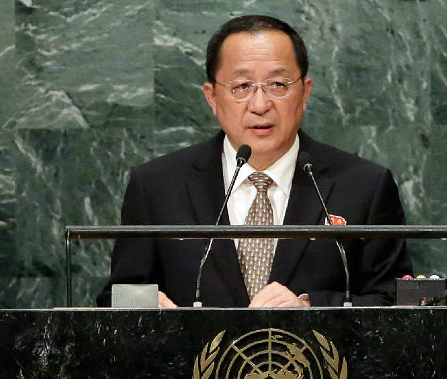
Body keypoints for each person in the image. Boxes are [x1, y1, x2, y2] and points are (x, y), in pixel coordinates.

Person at [97, 15, 412, 308]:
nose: (260, 105)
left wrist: (310, 306)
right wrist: (142, 304)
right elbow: (116, 294)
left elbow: (400, 298)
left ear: (305, 92)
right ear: (212, 97)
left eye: (278, 85)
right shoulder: (158, 186)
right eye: (241, 87)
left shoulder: (363, 186)